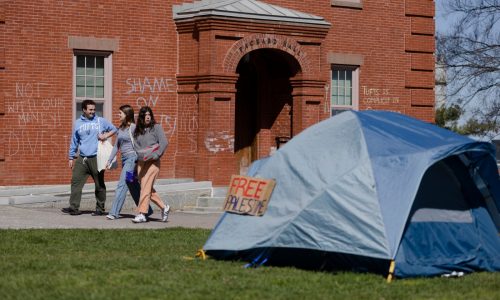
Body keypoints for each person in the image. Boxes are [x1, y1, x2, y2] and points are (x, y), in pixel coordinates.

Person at [62, 99, 117, 216]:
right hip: (82, 158)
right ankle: (74, 207)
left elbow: (114, 129)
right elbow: (74, 141)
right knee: (75, 181)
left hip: (96, 158)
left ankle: (100, 209)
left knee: (99, 184)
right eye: (90, 109)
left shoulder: (100, 121)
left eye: (94, 109)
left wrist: (105, 135)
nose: (93, 111)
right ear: (84, 110)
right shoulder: (77, 123)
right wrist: (71, 157)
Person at [105, 105, 153, 220]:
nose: (118, 115)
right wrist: (109, 160)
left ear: (127, 115)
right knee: (132, 185)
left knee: (122, 185)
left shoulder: (133, 128)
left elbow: (142, 142)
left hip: (132, 160)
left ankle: (114, 212)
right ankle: (146, 210)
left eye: (120, 113)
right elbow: (116, 146)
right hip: (125, 160)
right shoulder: (120, 129)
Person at [131, 106, 170, 223]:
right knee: (145, 187)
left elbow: (164, 142)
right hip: (141, 162)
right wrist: (141, 157)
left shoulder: (156, 128)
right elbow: (136, 148)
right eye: (145, 115)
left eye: (149, 115)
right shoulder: (137, 131)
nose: (147, 117)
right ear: (141, 117)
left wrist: (156, 155)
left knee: (145, 187)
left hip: (153, 162)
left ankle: (142, 213)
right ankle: (164, 207)